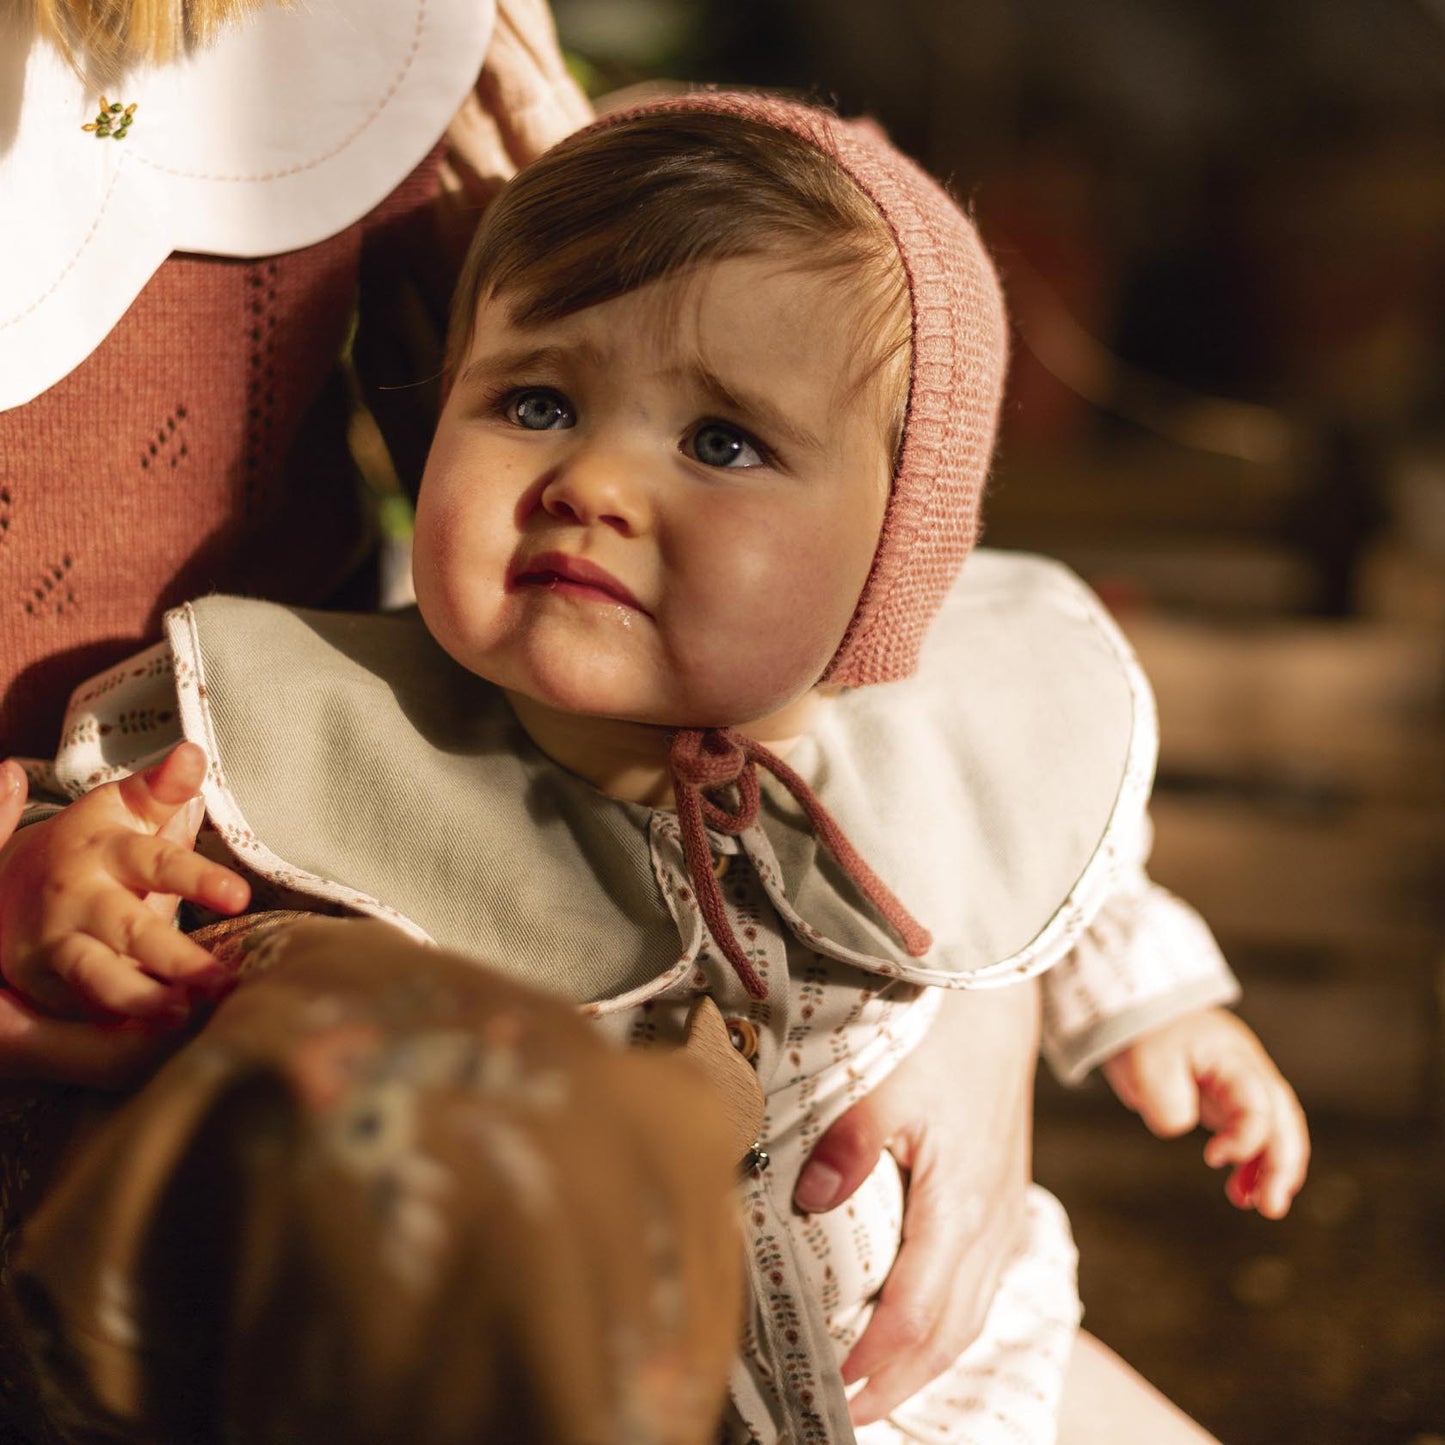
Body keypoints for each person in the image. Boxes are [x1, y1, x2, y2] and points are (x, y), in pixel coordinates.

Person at [0, 90, 1310, 1443]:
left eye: (721, 442)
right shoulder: (315, 730)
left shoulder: (933, 727)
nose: (593, 481)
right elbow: (127, 843)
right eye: (536, 399)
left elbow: (1060, 870)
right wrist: (73, 879)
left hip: (956, 1380)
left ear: (894, 540)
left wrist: (1161, 1014)